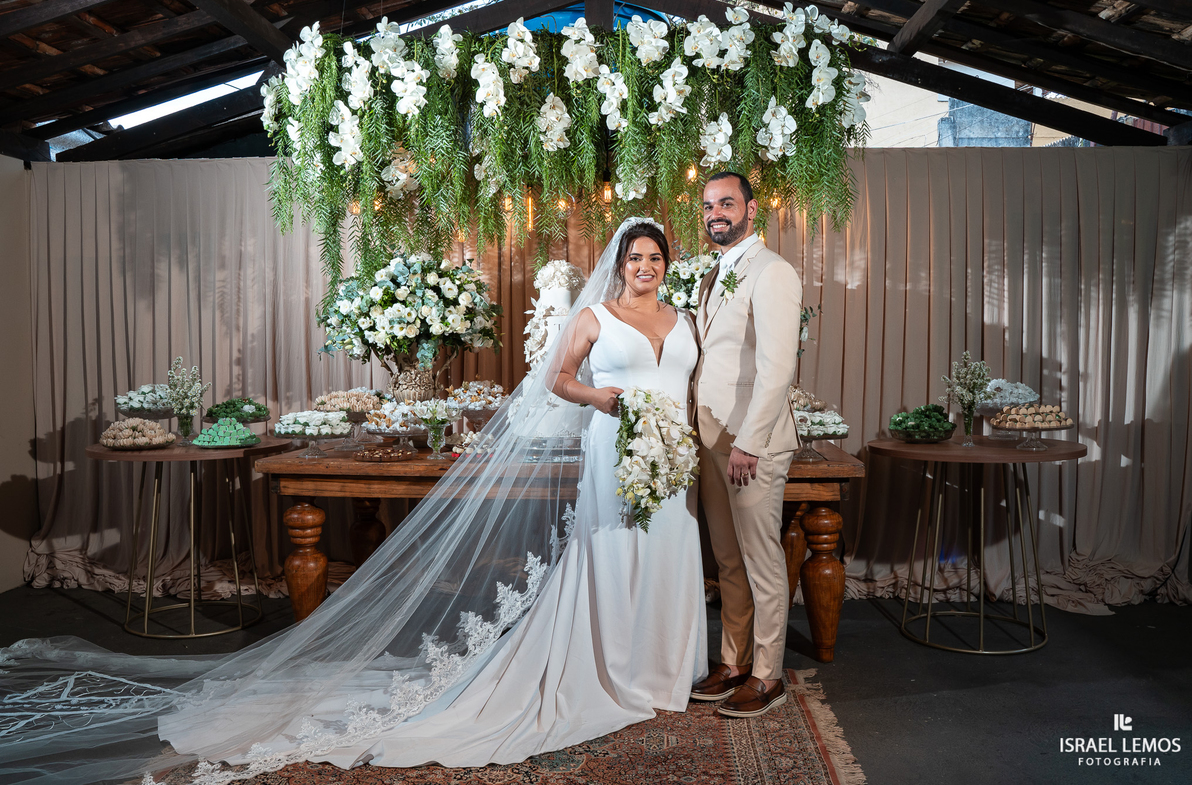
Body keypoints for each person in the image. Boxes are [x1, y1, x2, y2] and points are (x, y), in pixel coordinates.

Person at [0, 218, 705, 785]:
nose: (644, 266)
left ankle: (664, 666)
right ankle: (615, 666)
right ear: (620, 264)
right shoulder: (596, 318)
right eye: (635, 256)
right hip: (618, 452)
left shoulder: (681, 318)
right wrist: (605, 400)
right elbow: (557, 382)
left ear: (666, 265)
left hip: (675, 460)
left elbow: (692, 388)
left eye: (654, 257)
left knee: (669, 552)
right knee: (614, 555)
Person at [688, 172, 803, 718]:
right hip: (712, 434)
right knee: (727, 559)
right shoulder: (717, 272)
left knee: (761, 560)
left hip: (750, 441)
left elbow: (778, 368)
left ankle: (767, 672)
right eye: (709, 205)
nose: (716, 213)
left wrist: (750, 443)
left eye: (726, 203)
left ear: (751, 210)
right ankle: (733, 661)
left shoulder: (773, 271)